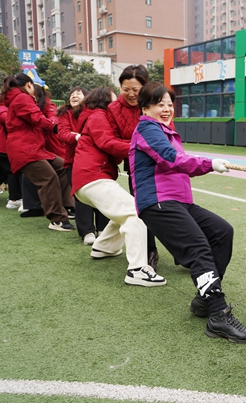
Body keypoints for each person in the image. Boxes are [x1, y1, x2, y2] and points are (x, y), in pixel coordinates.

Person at [129, 82, 246, 343]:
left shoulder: (166, 131)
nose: (166, 109)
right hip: (157, 202)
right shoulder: (146, 127)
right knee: (198, 247)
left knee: (222, 232)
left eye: (169, 104)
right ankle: (218, 314)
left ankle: (203, 300)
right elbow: (169, 159)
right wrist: (209, 163)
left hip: (178, 201)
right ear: (145, 108)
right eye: (159, 104)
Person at [72, 87, 165, 287]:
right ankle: (138, 269)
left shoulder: (95, 116)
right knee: (135, 211)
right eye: (115, 102)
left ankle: (104, 246)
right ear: (105, 102)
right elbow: (107, 142)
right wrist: (143, 146)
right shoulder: (98, 115)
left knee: (124, 209)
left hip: (90, 178)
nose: (118, 106)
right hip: (92, 177)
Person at [2, 73, 75, 232]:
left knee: (63, 166)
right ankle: (57, 219)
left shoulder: (17, 98)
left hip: (33, 147)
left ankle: (66, 207)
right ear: (29, 85)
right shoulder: (21, 98)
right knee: (48, 178)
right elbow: (36, 118)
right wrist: (55, 127)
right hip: (26, 149)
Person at [108, 64, 159, 269]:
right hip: (136, 169)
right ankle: (149, 252)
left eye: (135, 90)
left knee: (174, 210)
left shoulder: (156, 102)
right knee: (144, 212)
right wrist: (137, 148)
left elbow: (168, 129)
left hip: (163, 165)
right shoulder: (113, 109)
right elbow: (112, 140)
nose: (130, 94)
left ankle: (184, 252)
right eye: (125, 89)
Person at [57, 86, 108, 245]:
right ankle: (87, 231)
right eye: (72, 94)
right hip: (73, 161)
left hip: (97, 161)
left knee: (101, 194)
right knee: (81, 196)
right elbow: (63, 133)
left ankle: (103, 229)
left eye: (78, 93)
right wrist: (79, 137)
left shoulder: (95, 113)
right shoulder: (65, 114)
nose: (74, 96)